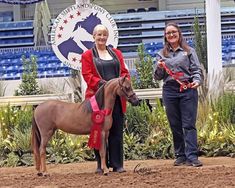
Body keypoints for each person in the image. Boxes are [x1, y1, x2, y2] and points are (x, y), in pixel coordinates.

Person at [81, 24, 130, 173]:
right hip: (98, 99)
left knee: (116, 131)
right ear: (93, 36)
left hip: (117, 99)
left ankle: (117, 164)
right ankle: (100, 165)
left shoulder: (117, 53)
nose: (101, 37)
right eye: (99, 35)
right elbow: (87, 75)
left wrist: (124, 83)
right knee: (98, 130)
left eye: (104, 35)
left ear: (107, 37)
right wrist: (104, 84)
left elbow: (124, 72)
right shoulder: (87, 55)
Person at [154, 22, 203, 167]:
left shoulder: (189, 51)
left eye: (173, 32)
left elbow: (196, 70)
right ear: (165, 36)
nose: (171, 35)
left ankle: (192, 156)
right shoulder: (161, 54)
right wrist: (158, 67)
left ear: (179, 33)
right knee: (175, 124)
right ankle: (180, 155)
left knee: (188, 124)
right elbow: (157, 77)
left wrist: (197, 81)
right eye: (168, 33)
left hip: (187, 89)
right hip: (170, 91)